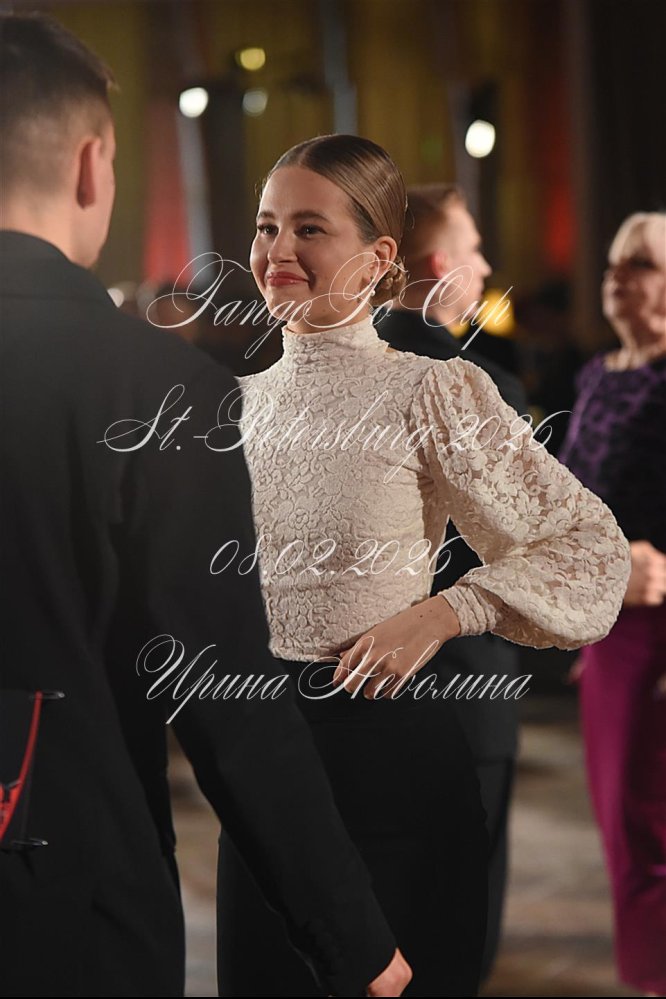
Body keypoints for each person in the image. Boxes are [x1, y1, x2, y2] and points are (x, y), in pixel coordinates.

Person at [0, 14, 411, 998]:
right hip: (63, 893)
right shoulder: (155, 388)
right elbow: (226, 696)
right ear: (92, 166)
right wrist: (352, 940)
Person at [214, 133, 632, 998]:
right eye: (266, 226)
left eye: (309, 228)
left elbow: (589, 547)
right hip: (265, 783)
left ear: (377, 259)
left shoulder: (430, 389)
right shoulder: (234, 406)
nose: (278, 249)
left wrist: (445, 611)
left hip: (390, 762)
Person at [376, 182, 528, 982]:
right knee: (453, 936)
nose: (486, 267)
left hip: (355, 687)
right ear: (440, 265)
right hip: (464, 689)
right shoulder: (485, 386)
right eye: (474, 251)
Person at [558, 211, 666, 997]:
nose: (617, 276)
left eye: (641, 263)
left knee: (652, 828)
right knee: (622, 827)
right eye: (613, 263)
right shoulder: (598, 373)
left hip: (660, 629)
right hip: (609, 628)